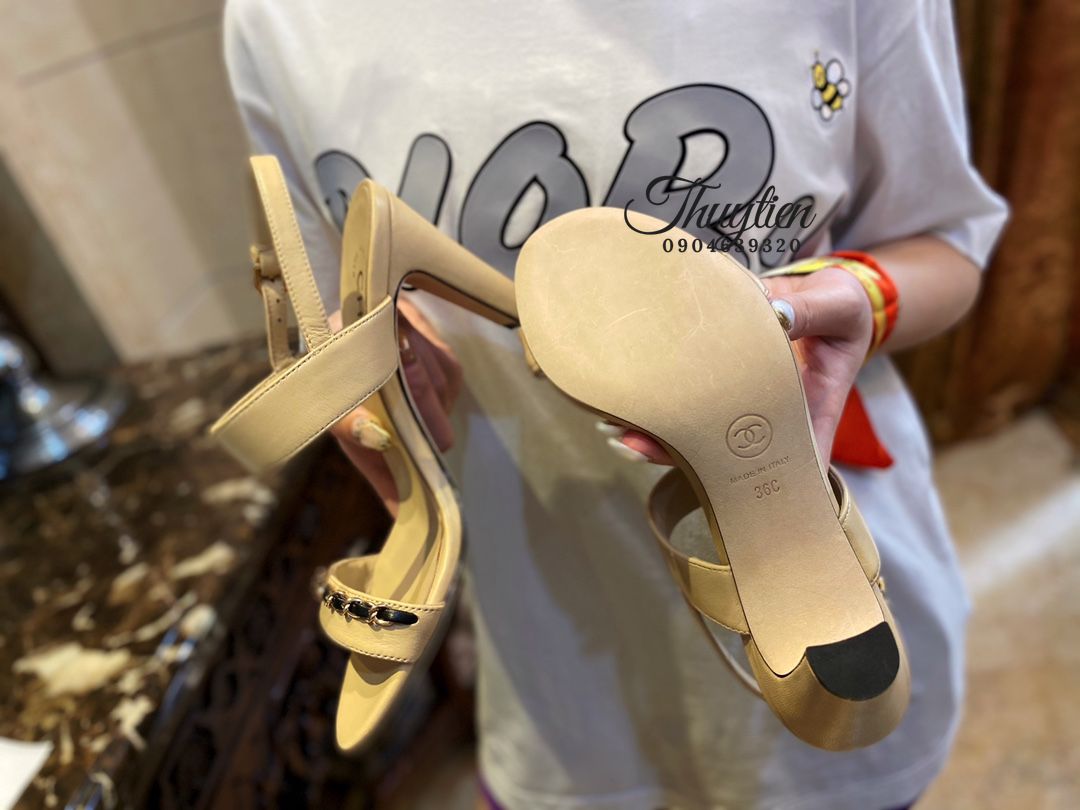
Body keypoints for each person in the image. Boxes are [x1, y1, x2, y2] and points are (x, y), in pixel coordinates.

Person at [223, 1, 1007, 807]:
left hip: (818, 548)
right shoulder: (280, 19)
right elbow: (322, 302)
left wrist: (845, 298)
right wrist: (361, 375)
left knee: (846, 756)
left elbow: (947, 244)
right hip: (553, 630)